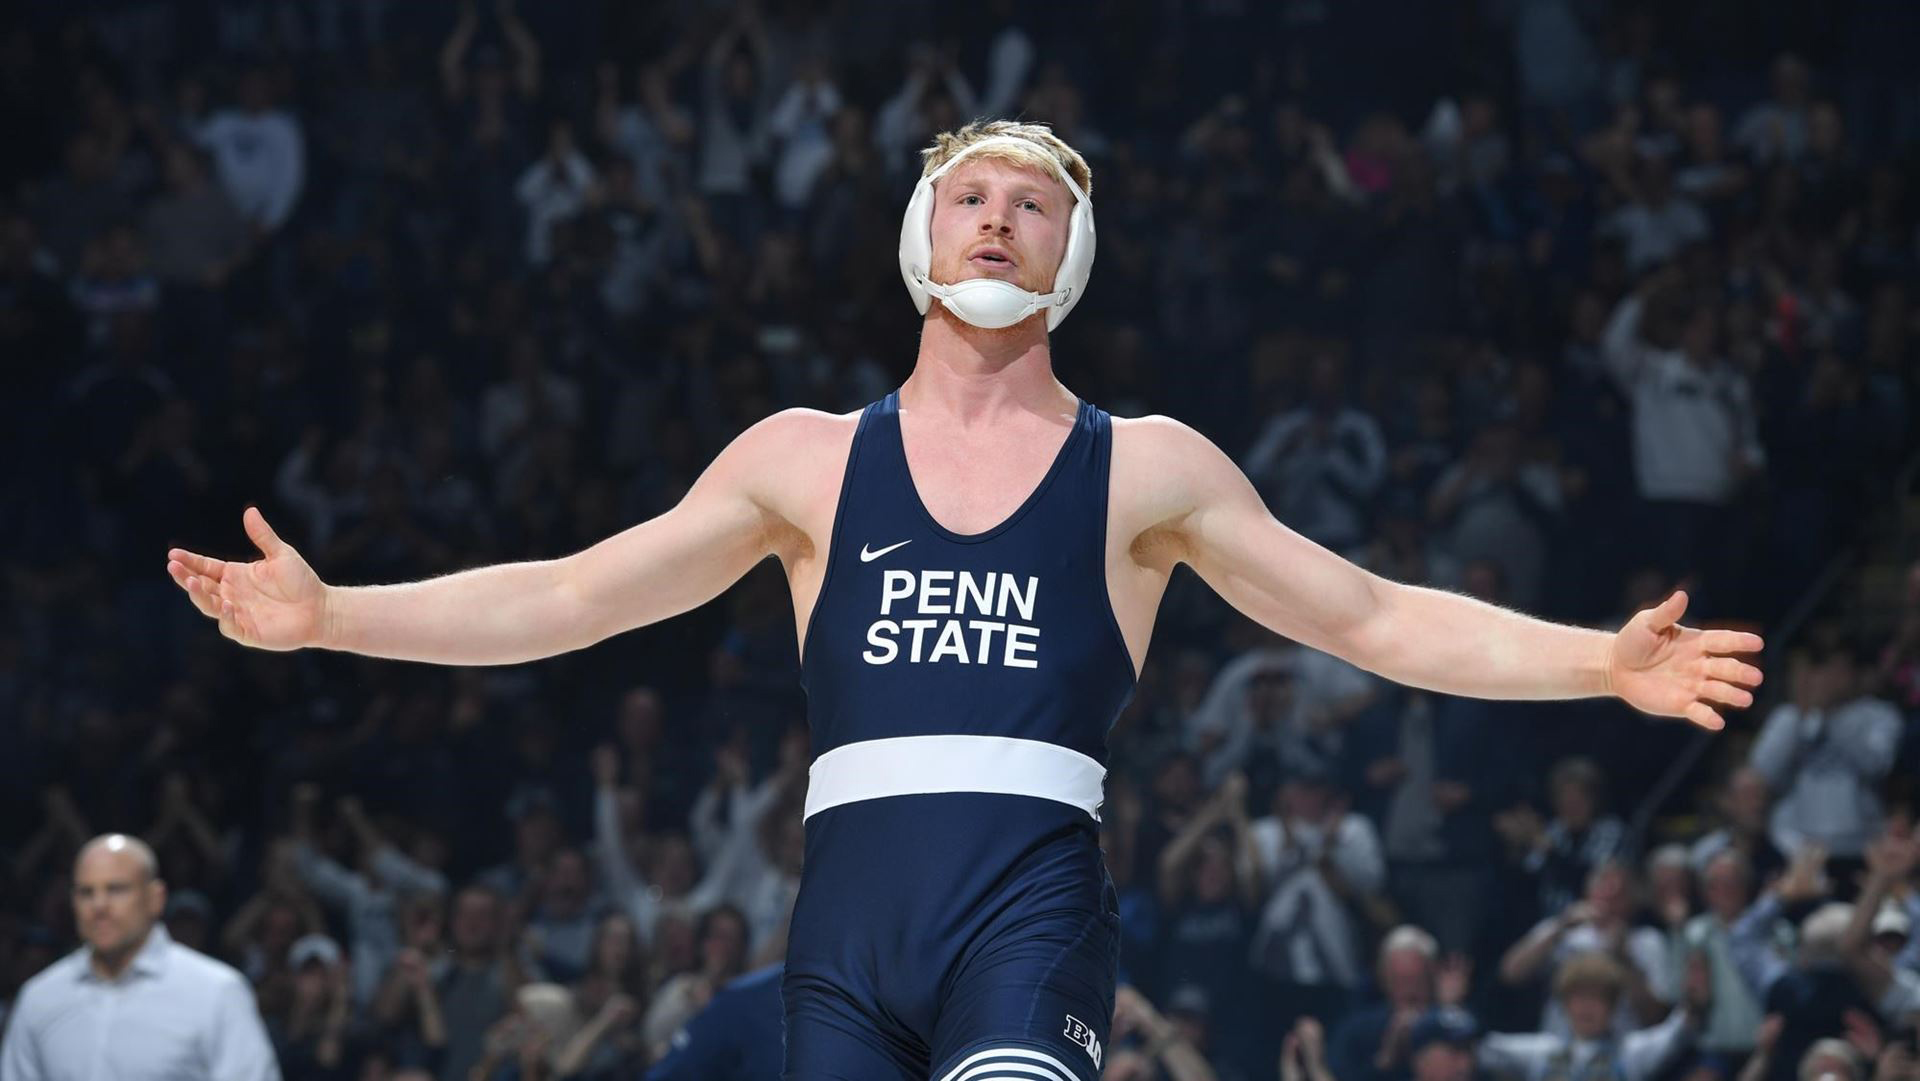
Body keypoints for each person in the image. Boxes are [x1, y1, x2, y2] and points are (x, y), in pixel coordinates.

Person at [167, 119, 1765, 1081]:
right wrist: (337, 615)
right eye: (968, 196)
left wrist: (1594, 666)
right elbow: (573, 598)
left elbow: (1374, 618)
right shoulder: (802, 457)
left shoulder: (1145, 468)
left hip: (1026, 908)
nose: (996, 215)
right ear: (919, 238)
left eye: (1034, 203)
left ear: (1075, 254)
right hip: (841, 930)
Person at [0, 834, 280, 1080]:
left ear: (155, 898)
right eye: (87, 892)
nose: (100, 906)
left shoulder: (216, 993)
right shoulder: (40, 998)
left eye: (116, 889)